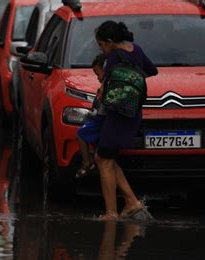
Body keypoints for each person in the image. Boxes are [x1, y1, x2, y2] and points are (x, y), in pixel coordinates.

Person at [94, 21, 158, 221]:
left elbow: (106, 87)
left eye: (101, 45)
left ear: (110, 42)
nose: (102, 50)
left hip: (117, 113)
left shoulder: (112, 58)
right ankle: (131, 202)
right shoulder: (136, 49)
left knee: (103, 158)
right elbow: (152, 71)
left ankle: (111, 213)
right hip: (133, 111)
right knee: (107, 157)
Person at [76, 54, 107, 178]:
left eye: (98, 73)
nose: (98, 78)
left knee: (81, 133)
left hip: (101, 119)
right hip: (101, 118)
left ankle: (86, 161)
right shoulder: (105, 85)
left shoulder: (106, 86)